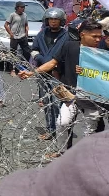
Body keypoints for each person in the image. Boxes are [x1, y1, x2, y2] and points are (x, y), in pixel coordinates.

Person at [19, 19, 103, 156]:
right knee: (63, 123)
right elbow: (52, 63)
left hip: (92, 97)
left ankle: (87, 156)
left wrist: (90, 71)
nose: (98, 39)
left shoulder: (102, 52)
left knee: (90, 128)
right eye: (94, 36)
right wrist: (31, 73)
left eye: (100, 36)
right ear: (82, 34)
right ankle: (63, 152)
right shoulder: (70, 47)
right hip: (70, 95)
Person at [30, 7, 69, 141]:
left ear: (61, 21)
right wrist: (41, 59)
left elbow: (67, 55)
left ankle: (59, 130)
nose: (53, 22)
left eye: (56, 19)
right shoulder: (42, 34)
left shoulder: (66, 36)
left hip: (58, 74)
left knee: (57, 102)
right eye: (51, 19)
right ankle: (50, 129)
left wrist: (56, 63)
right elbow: (34, 50)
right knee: (47, 102)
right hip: (43, 73)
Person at [4, 1, 31, 76]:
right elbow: (6, 25)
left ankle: (24, 68)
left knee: (27, 52)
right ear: (17, 8)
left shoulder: (25, 15)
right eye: (21, 7)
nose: (23, 9)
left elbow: (26, 24)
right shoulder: (12, 15)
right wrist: (10, 33)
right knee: (13, 53)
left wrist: (26, 32)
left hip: (22, 36)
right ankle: (12, 69)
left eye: (24, 7)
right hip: (14, 37)